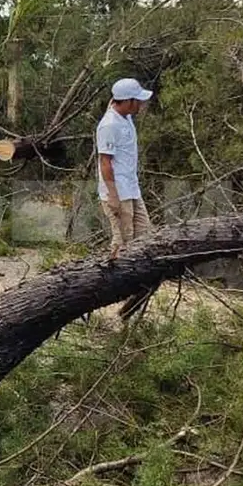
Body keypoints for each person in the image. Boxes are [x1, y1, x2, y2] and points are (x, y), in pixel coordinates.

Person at [97, 78, 155, 320]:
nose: (140, 105)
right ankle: (111, 292)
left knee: (147, 237)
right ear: (128, 101)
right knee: (123, 243)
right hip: (118, 191)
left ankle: (135, 295)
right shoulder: (108, 125)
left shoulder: (126, 117)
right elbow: (105, 162)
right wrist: (113, 195)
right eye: (137, 100)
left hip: (132, 189)